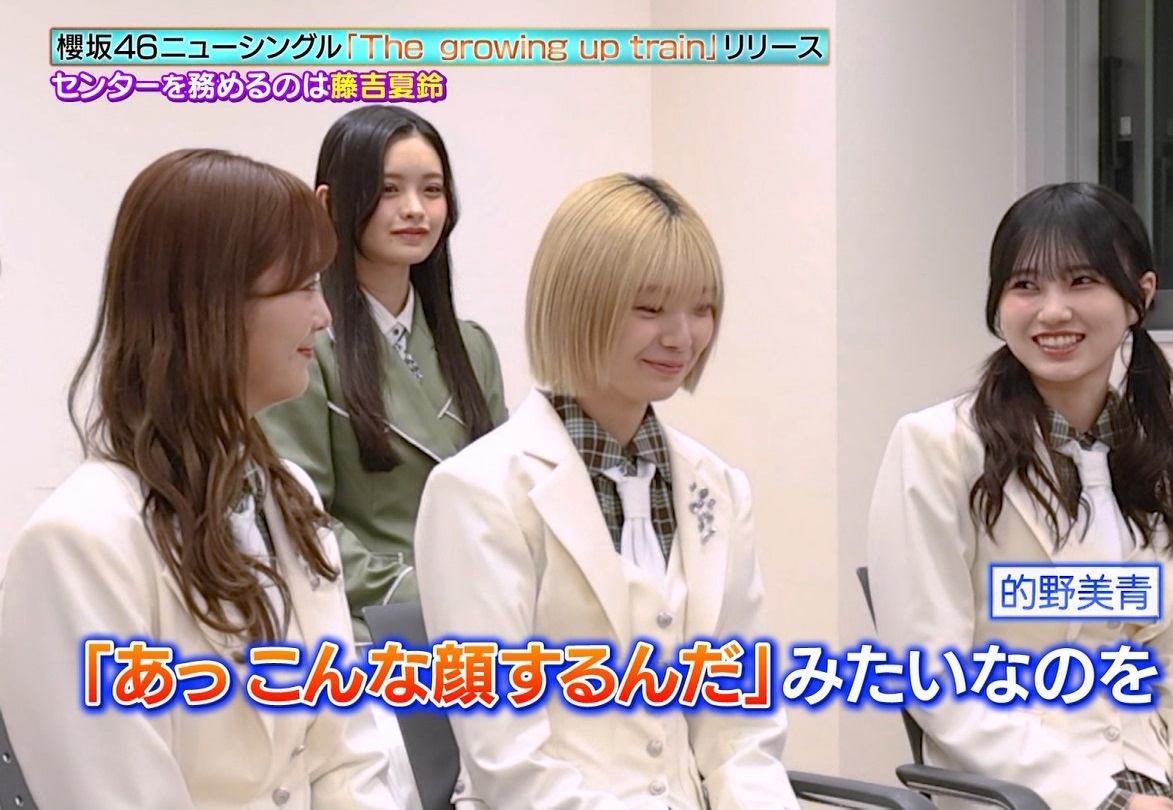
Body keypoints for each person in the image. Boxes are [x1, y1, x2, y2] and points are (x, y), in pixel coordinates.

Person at [0, 148, 398, 809]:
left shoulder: (289, 498)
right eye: (304, 286)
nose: (324, 315)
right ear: (211, 303)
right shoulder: (78, 545)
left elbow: (347, 760)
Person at [865, 182, 1173, 810]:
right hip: (1025, 792)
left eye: (1082, 282)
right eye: (1025, 286)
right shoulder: (939, 446)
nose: (1053, 311)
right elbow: (932, 675)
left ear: (1140, 297)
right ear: (998, 305)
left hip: (1158, 779)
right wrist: (1104, 801)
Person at [412, 173, 800, 809]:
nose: (681, 336)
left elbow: (743, 732)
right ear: (577, 304)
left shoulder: (718, 487)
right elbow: (509, 761)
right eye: (650, 309)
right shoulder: (478, 492)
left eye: (702, 308)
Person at [258, 106, 508, 643]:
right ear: (328, 203)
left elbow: (505, 498)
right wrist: (429, 593)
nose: (415, 209)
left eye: (432, 190)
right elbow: (299, 516)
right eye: (388, 189)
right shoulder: (305, 346)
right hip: (365, 625)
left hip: (480, 615)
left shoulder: (472, 348)